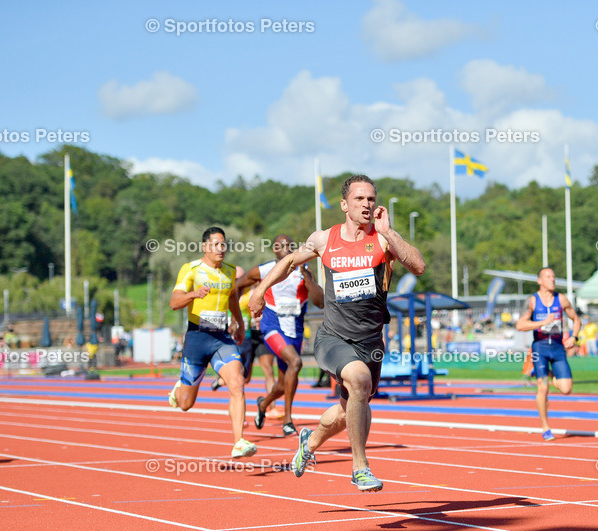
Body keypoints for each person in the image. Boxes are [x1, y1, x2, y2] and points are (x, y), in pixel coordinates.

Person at [249, 174, 425, 492]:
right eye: (359, 199)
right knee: (359, 381)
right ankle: (360, 468)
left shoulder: (384, 239)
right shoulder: (323, 239)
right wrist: (260, 290)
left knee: (351, 407)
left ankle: (310, 442)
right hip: (333, 338)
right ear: (345, 204)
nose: (366, 204)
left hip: (371, 342)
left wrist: (389, 232)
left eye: (371, 199)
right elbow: (289, 262)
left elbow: (418, 267)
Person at [168, 226, 255, 458]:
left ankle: (239, 442)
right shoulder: (191, 269)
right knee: (185, 404)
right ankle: (180, 387)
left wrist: (239, 323)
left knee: (237, 381)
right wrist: (193, 294)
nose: (221, 249)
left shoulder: (230, 272)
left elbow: (232, 297)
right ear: (205, 247)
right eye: (216, 244)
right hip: (197, 338)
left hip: (221, 338)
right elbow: (174, 302)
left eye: (223, 244)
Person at [237, 234, 324, 436]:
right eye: (282, 245)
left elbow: (320, 302)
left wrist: (307, 278)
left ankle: (263, 403)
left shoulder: (304, 270)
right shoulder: (264, 270)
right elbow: (238, 285)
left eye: (290, 245)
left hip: (295, 330)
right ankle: (288, 419)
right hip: (272, 326)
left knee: (284, 384)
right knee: (296, 362)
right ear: (274, 249)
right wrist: (236, 318)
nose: (287, 248)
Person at [515, 267, 581, 441]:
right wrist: (542, 322)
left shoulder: (561, 299)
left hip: (558, 348)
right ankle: (546, 428)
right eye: (548, 276)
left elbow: (576, 319)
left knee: (566, 389)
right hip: (540, 348)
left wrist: (574, 337)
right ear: (540, 281)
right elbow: (520, 325)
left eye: (553, 276)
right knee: (543, 388)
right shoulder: (532, 301)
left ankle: (543, 372)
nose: (552, 279)